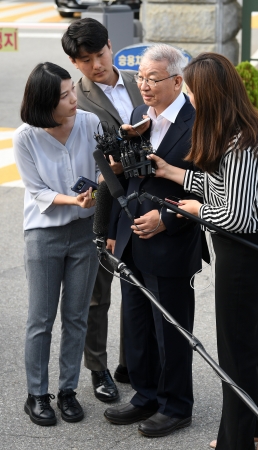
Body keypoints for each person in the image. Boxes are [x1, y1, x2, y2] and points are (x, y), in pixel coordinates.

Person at [147, 52, 258, 449]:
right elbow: (223, 188)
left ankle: (235, 442)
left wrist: (194, 210)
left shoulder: (240, 139)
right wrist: (172, 172)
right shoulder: (239, 129)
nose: (190, 98)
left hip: (246, 252)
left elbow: (235, 215)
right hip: (251, 247)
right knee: (245, 342)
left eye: (192, 91)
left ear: (212, 92)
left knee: (234, 351)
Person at [103, 43, 207, 438]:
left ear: (177, 81)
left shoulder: (199, 124)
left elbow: (206, 190)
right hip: (131, 238)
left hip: (172, 240)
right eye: (140, 78)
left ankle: (176, 405)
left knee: (172, 329)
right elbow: (128, 180)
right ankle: (145, 395)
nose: (143, 86)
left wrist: (166, 220)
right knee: (136, 324)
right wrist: (115, 231)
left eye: (153, 78)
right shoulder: (135, 115)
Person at [61, 18, 145, 401]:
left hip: (147, 197)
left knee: (140, 288)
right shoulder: (74, 99)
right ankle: (98, 369)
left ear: (110, 46)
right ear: (75, 63)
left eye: (100, 53)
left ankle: (133, 363)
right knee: (98, 294)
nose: (96, 64)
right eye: (85, 59)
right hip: (104, 203)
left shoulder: (139, 80)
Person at [13, 62, 100, 426]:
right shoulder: (25, 137)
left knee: (77, 317)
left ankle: (67, 391)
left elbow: (103, 167)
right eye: (64, 96)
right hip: (44, 235)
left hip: (85, 235)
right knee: (41, 319)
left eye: (72, 90)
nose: (74, 98)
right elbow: (37, 192)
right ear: (46, 103)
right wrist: (75, 200)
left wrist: (98, 185)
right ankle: (36, 395)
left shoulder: (90, 124)